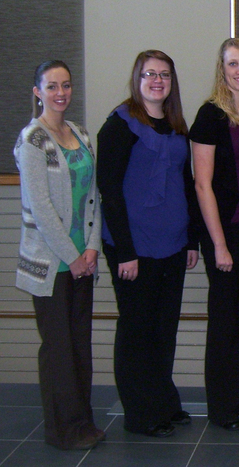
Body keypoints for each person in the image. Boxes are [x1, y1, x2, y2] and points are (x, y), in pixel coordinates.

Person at [97, 50, 200, 438]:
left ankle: (163, 402)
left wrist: (192, 239)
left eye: (165, 75)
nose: (157, 81)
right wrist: (125, 250)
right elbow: (109, 190)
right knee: (137, 331)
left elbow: (187, 183)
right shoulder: (119, 125)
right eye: (149, 74)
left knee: (163, 329)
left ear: (172, 83)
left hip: (172, 244)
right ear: (137, 79)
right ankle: (140, 413)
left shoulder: (176, 124)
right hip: (133, 249)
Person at [14, 60, 105, 450]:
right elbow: (41, 209)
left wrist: (91, 249)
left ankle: (83, 422)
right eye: (52, 87)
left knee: (79, 344)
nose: (61, 93)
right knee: (58, 350)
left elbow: (93, 198)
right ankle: (62, 430)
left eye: (65, 85)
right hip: (51, 264)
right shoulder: (32, 140)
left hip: (82, 260)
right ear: (38, 92)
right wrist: (72, 256)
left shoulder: (81, 134)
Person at [190, 38, 239, 431]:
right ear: (222, 70)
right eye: (232, 64)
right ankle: (223, 408)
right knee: (225, 321)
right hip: (225, 231)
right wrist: (219, 244)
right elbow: (202, 185)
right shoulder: (210, 115)